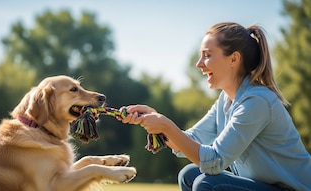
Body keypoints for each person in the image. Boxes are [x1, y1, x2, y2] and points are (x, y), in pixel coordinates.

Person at [119, 22, 311, 191]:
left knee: (208, 184)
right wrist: (156, 120)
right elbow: (190, 139)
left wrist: (166, 125)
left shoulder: (256, 102)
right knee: (189, 175)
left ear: (233, 59)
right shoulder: (226, 100)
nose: (199, 64)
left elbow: (214, 162)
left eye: (207, 55)